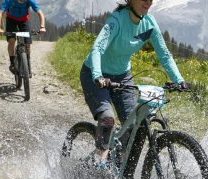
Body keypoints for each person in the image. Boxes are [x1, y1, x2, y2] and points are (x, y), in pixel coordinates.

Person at [81, 0, 189, 168]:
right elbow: (97, 49)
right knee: (108, 118)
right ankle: (98, 161)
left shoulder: (149, 23)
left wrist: (179, 80)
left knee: (134, 124)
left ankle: (118, 166)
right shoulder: (116, 20)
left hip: (122, 77)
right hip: (95, 75)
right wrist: (98, 76)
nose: (148, 2)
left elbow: (164, 55)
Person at [0, 0, 46, 74]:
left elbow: (40, 13)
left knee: (27, 43)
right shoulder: (9, 1)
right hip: (11, 20)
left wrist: (42, 27)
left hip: (24, 21)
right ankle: (12, 63)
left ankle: (27, 62)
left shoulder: (29, 1)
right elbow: (0, 12)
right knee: (11, 40)